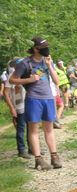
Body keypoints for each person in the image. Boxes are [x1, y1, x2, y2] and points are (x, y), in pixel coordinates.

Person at [9, 37, 62, 170]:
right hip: (33, 99)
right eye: (43, 48)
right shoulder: (25, 63)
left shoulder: (47, 60)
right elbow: (12, 80)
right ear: (35, 48)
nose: (46, 50)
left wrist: (50, 65)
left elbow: (56, 81)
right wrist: (29, 79)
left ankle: (54, 157)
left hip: (48, 98)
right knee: (34, 130)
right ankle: (38, 159)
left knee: (49, 129)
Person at [2, 57, 29, 158]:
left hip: (28, 103)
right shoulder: (11, 76)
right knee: (21, 128)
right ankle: (21, 150)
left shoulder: (26, 74)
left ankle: (32, 148)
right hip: (19, 106)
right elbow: (6, 93)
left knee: (31, 127)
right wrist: (12, 108)